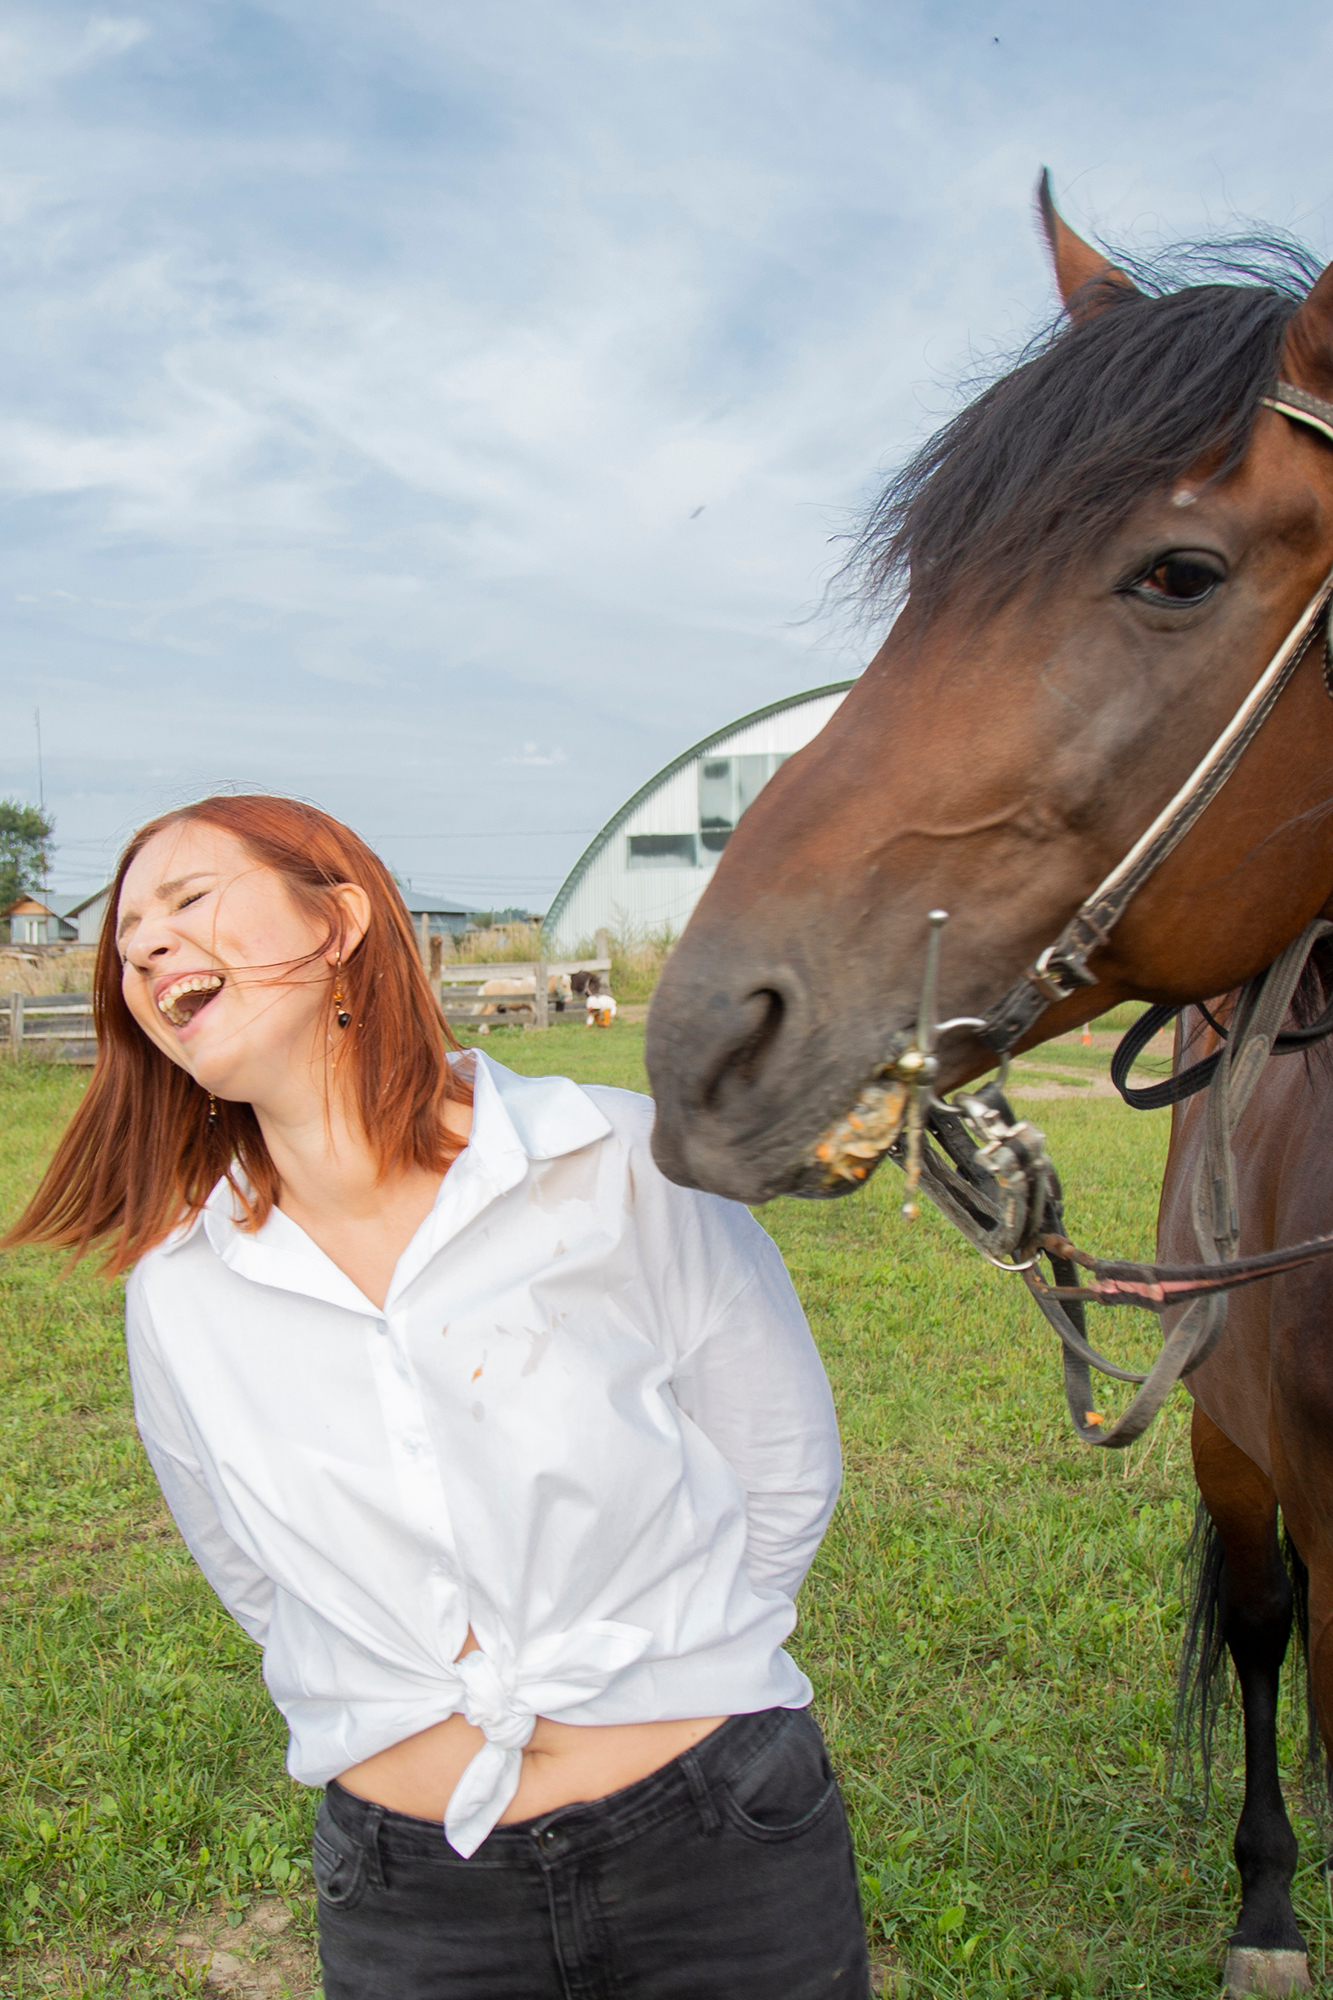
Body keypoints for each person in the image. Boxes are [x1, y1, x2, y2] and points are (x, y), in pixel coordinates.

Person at [4, 795, 870, 1999]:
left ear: (341, 914)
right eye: (127, 934)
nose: (145, 942)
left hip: (718, 1845)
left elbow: (780, 1470)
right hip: (411, 1899)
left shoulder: (616, 1162)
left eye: (189, 899)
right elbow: (256, 1577)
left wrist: (662, 1681)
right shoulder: (182, 1292)